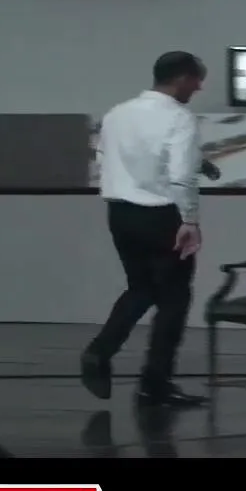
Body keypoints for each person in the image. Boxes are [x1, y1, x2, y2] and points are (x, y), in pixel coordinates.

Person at [82, 51, 209, 407]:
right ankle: (155, 383)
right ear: (182, 78)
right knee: (175, 299)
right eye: (196, 80)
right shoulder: (179, 117)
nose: (199, 88)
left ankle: (98, 352)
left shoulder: (116, 113)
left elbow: (106, 159)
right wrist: (190, 221)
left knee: (141, 288)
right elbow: (180, 176)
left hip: (120, 214)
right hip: (161, 216)